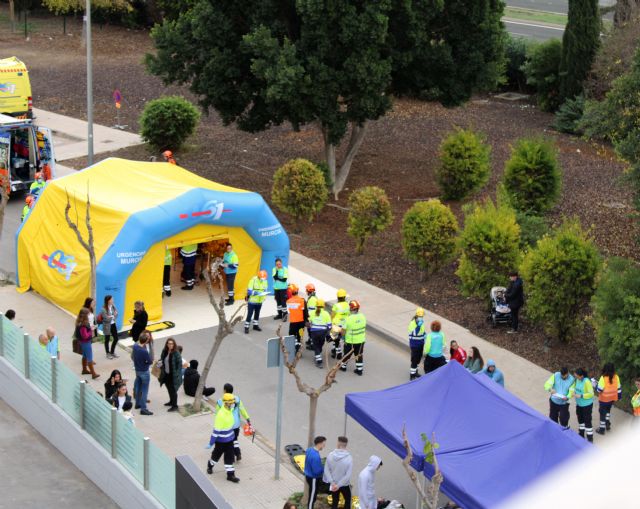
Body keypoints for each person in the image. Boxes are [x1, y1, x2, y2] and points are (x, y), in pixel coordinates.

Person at [206, 392, 240, 483]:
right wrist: (211, 442)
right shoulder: (221, 415)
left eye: (233, 402)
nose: (233, 403)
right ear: (226, 403)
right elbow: (216, 431)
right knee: (216, 457)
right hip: (220, 441)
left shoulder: (229, 410)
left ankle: (231, 475)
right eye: (231, 402)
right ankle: (210, 465)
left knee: (229, 458)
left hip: (229, 440)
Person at [216, 384, 251, 460]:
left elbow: (217, 415)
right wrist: (247, 418)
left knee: (230, 440)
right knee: (234, 439)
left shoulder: (220, 401)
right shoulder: (237, 399)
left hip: (227, 425)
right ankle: (237, 453)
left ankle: (235, 453)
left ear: (225, 390)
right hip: (236, 424)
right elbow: (242, 410)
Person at [323, 436, 353, 509]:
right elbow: (348, 475)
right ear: (346, 445)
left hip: (333, 484)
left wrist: (333, 483)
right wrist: (339, 485)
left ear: (338, 444)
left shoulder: (330, 455)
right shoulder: (349, 458)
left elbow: (326, 470)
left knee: (335, 501)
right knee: (348, 500)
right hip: (344, 484)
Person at [340, 300, 367, 375]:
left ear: (351, 309)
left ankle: (343, 367)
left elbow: (343, 331)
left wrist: (342, 338)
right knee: (358, 355)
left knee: (347, 355)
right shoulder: (362, 316)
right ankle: (359, 370)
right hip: (361, 341)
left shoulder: (348, 319)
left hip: (350, 341)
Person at [596, 363, 622, 435]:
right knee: (608, 411)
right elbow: (619, 388)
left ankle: (602, 429)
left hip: (604, 399)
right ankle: (607, 424)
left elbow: (599, 390)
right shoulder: (616, 377)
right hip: (612, 398)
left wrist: (595, 385)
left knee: (602, 413)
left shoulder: (603, 378)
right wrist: (619, 397)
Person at [159, 338, 183, 412]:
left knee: (173, 390)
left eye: (172, 343)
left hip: (173, 375)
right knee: (169, 389)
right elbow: (162, 359)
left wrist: (176, 373)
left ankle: (175, 406)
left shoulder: (176, 353)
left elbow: (179, 364)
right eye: (169, 343)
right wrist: (159, 363)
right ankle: (171, 402)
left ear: (174, 344)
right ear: (167, 344)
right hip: (166, 374)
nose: (170, 345)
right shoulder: (165, 351)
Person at [132, 334, 154, 415]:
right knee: (144, 390)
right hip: (144, 371)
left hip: (137, 371)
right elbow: (150, 361)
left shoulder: (135, 346)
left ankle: (137, 404)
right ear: (146, 341)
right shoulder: (144, 351)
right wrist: (147, 361)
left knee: (138, 387)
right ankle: (143, 408)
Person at [571, 368, 594, 442]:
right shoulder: (577, 380)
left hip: (587, 405)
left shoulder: (587, 382)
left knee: (587, 421)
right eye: (575, 376)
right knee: (580, 419)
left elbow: (591, 394)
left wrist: (581, 395)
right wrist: (571, 392)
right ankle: (581, 434)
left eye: (577, 376)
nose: (576, 378)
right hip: (579, 404)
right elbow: (573, 387)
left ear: (582, 376)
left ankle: (590, 438)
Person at [75, 308, 99, 379]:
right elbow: (85, 336)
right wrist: (91, 330)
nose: (89, 315)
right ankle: (93, 374)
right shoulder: (83, 325)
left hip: (82, 342)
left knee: (85, 356)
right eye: (88, 314)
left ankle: (84, 370)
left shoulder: (79, 322)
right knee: (89, 357)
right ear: (85, 315)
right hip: (86, 343)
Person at [304, 436, 327, 509]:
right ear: (319, 444)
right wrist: (323, 468)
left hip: (308, 475)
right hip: (313, 478)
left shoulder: (309, 450)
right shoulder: (315, 456)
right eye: (323, 444)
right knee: (312, 497)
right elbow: (317, 471)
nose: (324, 445)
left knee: (312, 494)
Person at [308, 299, 332, 368]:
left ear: (316, 306)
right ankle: (318, 358)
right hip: (323, 332)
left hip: (314, 332)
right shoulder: (326, 313)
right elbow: (329, 325)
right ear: (323, 306)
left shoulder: (312, 312)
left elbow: (309, 322)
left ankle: (318, 358)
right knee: (320, 344)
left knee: (316, 345)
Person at [287, 284, 308, 352]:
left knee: (292, 335)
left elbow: (289, 311)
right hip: (301, 323)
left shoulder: (288, 301)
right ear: (297, 291)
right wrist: (306, 321)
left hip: (293, 322)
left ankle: (293, 346)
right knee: (300, 335)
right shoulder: (302, 300)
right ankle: (298, 347)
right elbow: (305, 312)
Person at [408, 308, 426, 380]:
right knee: (414, 360)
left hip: (420, 344)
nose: (421, 317)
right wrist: (418, 326)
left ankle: (416, 372)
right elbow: (414, 333)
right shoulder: (412, 323)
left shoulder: (421, 322)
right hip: (415, 345)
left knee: (418, 359)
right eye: (420, 316)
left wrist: (425, 335)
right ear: (417, 315)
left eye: (422, 316)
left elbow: (422, 331)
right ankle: (412, 375)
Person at [331, 289, 350, 359]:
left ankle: (338, 352)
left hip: (336, 325)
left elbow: (332, 315)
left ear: (338, 297)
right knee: (342, 339)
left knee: (335, 339)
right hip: (344, 325)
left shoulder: (336, 305)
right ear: (344, 297)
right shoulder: (348, 305)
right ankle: (335, 349)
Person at [100, 295, 119, 359]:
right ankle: (107, 353)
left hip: (113, 324)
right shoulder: (103, 309)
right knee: (107, 340)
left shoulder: (113, 306)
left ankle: (112, 352)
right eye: (111, 299)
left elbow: (117, 314)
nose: (113, 300)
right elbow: (106, 318)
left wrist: (112, 316)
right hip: (107, 325)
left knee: (116, 338)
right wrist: (113, 316)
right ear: (108, 301)